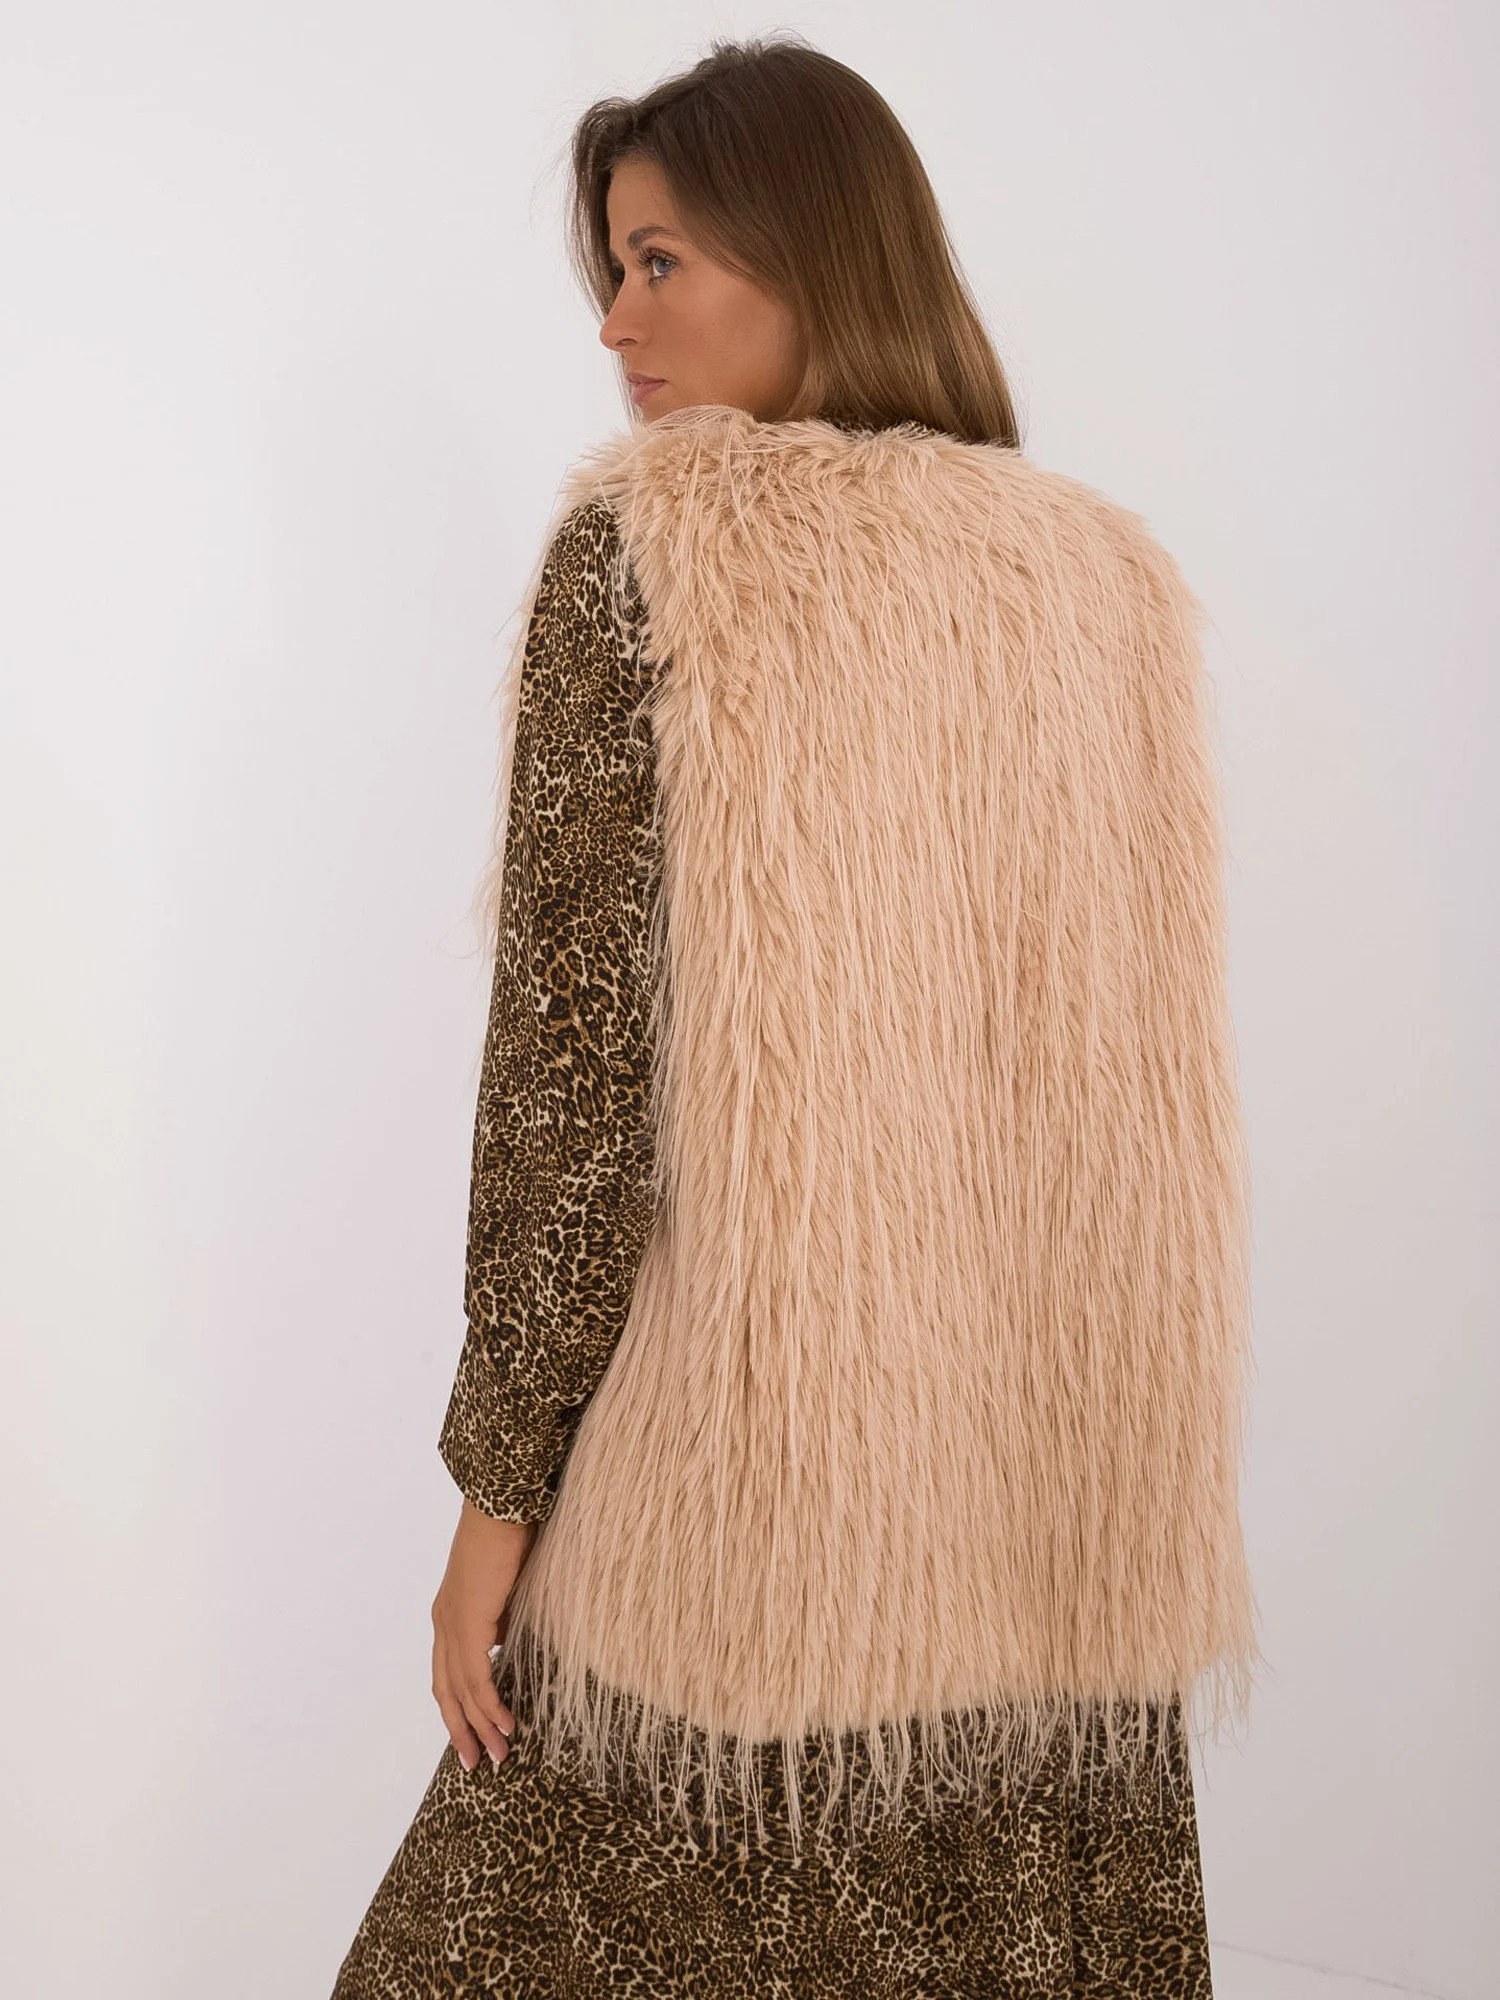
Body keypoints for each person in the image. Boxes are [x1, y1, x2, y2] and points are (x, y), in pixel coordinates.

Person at [331, 34, 1260, 1998]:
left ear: (818, 248)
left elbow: (573, 1082)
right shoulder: (1101, 585)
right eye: (612, 268)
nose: (615, 322)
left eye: (660, 260)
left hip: (743, 1545)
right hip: (1045, 1550)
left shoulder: (657, 554)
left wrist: (493, 1504)